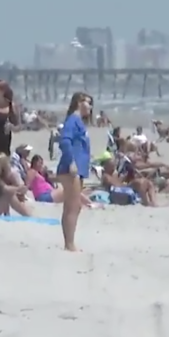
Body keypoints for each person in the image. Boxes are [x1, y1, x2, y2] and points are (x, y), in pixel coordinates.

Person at [56, 92, 93, 252]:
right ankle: (69, 244)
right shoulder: (72, 120)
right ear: (79, 102)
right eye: (88, 102)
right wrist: (71, 162)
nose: (90, 107)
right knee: (72, 206)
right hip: (71, 168)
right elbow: (65, 141)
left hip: (79, 168)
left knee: (74, 206)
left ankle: (70, 242)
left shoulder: (79, 122)